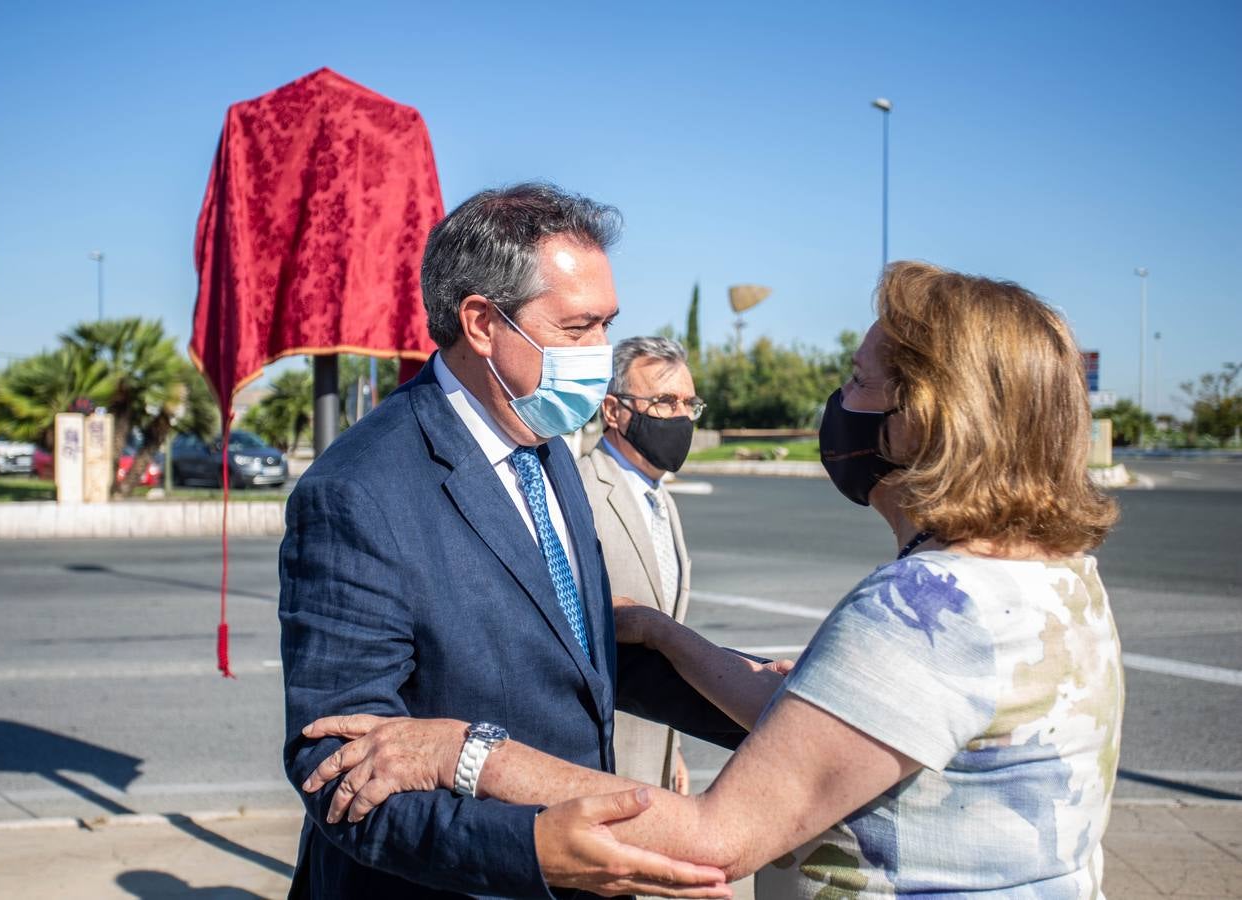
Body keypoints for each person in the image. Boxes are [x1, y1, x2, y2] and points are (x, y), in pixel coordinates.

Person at [301, 261, 1125, 898]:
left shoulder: (924, 613)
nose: (840, 400)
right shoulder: (1059, 578)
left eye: (862, 382)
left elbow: (711, 838)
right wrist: (664, 634)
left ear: (930, 418)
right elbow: (825, 730)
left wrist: (462, 750)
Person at [279, 182, 742, 900]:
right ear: (482, 323)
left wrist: (772, 711)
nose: (600, 352)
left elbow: (570, 666)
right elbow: (337, 770)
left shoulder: (544, 441)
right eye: (577, 328)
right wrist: (530, 849)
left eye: (606, 326)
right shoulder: (358, 494)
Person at [578, 336, 702, 793]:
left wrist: (674, 753)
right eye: (665, 401)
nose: (681, 416)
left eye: (689, 403)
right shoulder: (581, 491)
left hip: (657, 758)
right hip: (599, 763)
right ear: (613, 411)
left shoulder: (661, 498)